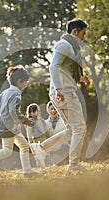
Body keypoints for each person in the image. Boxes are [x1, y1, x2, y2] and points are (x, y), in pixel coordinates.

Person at [30, 19, 89, 171]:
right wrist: (59, 89)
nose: (83, 38)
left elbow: (64, 70)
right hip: (65, 93)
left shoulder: (71, 48)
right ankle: (74, 164)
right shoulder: (65, 45)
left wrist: (81, 78)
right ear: (74, 32)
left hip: (62, 93)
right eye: (82, 34)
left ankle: (41, 147)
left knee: (71, 129)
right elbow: (53, 66)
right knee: (79, 128)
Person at [45, 101, 69, 165]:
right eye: (51, 109)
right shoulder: (45, 124)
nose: (53, 111)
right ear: (48, 110)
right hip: (51, 150)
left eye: (55, 109)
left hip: (62, 147)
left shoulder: (64, 122)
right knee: (57, 163)